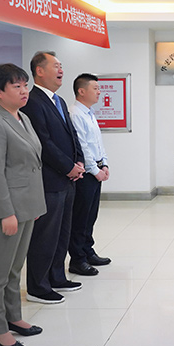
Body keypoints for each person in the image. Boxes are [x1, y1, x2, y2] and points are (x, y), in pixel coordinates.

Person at [0, 64, 46, 346]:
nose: (24, 91)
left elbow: (30, 164)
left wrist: (34, 204)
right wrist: (6, 213)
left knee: (15, 268)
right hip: (5, 209)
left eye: (25, 85)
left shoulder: (22, 117)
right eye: (16, 86)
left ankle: (13, 317)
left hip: (26, 205)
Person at [21, 51, 85, 304]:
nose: (61, 70)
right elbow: (43, 143)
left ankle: (57, 277)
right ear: (39, 71)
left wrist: (79, 162)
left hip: (67, 179)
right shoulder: (33, 102)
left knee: (61, 233)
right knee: (44, 236)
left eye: (61, 66)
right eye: (56, 66)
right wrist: (68, 166)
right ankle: (38, 286)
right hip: (49, 180)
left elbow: (71, 135)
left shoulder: (58, 100)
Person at [68, 74, 112, 276]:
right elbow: (82, 147)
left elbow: (97, 144)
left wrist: (105, 164)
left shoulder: (89, 113)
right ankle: (77, 259)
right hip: (85, 174)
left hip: (96, 170)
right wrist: (95, 170)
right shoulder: (75, 114)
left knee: (91, 216)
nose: (99, 92)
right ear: (81, 91)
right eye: (95, 88)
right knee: (81, 217)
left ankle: (87, 251)